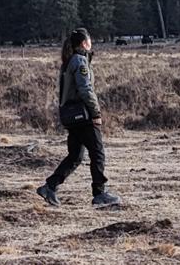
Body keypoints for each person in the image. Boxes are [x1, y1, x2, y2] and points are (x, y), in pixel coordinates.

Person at [37, 27, 121, 208]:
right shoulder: (80, 61)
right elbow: (85, 89)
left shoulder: (69, 61)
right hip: (82, 115)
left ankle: (50, 186)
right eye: (89, 40)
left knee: (75, 156)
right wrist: (96, 113)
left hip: (71, 116)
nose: (91, 43)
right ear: (84, 43)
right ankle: (99, 193)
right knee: (97, 153)